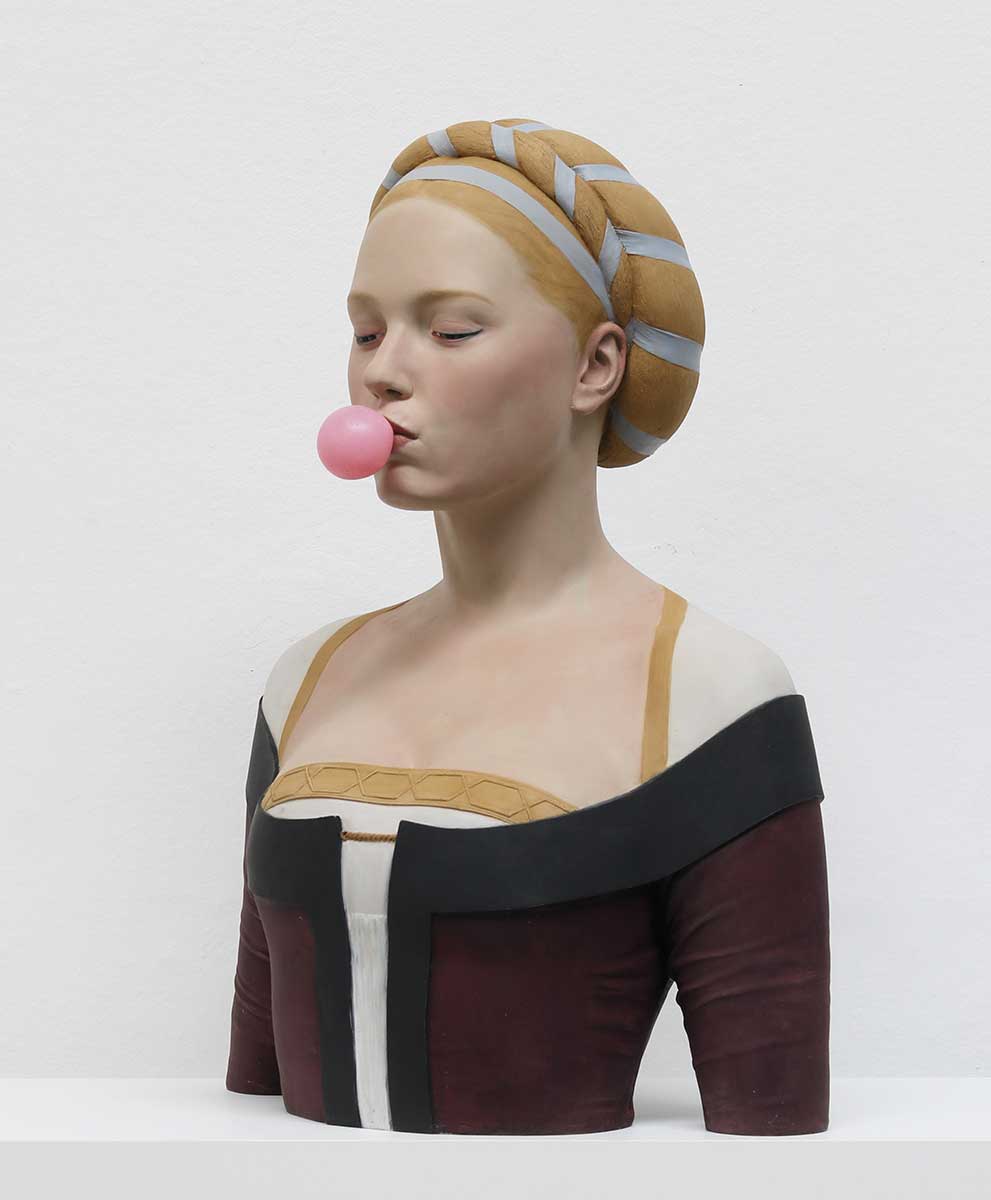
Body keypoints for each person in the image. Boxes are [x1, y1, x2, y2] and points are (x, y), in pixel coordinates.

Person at [225, 117, 830, 1136]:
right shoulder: (305, 680)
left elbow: (770, 1135)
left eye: (452, 329)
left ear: (596, 367)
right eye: (366, 332)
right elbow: (254, 1091)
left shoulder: (713, 693)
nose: (382, 374)